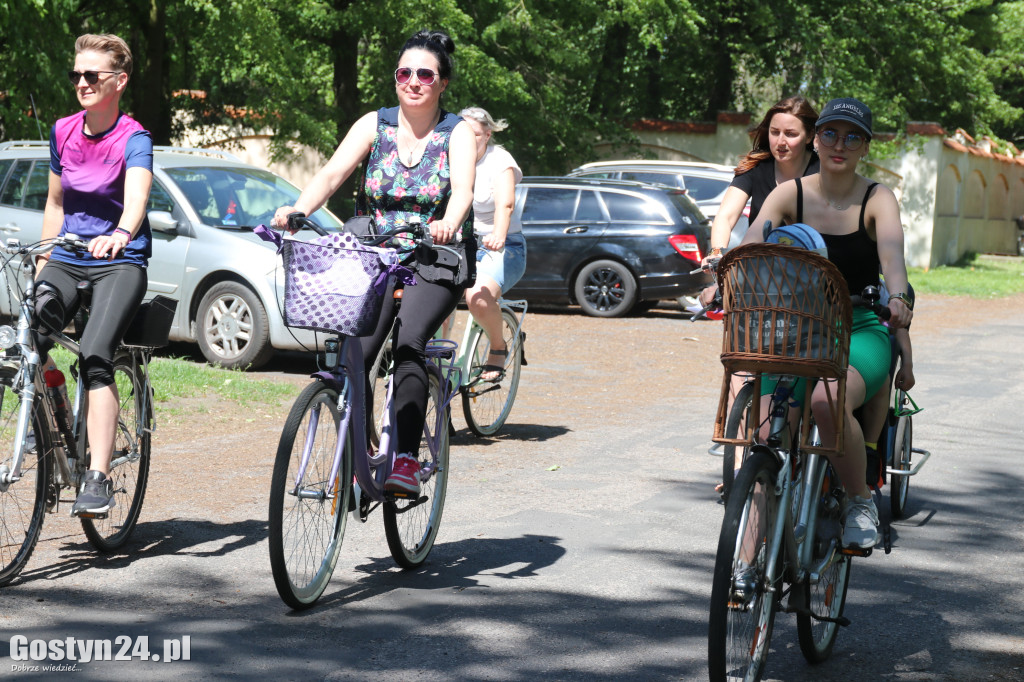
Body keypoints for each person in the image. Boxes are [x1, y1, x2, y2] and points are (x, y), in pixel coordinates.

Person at [272, 29, 476, 496]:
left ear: (442, 82)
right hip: (377, 253)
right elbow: (331, 173)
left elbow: (462, 189)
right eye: (405, 73)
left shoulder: (456, 132)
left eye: (426, 74)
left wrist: (448, 220)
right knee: (354, 355)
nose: (414, 81)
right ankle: (358, 448)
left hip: (434, 255)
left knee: (409, 344)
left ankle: (404, 458)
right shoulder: (375, 125)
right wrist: (298, 210)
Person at [704, 97, 914, 549]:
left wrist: (897, 297)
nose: (840, 144)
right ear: (818, 139)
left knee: (827, 399)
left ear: (864, 146)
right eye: (831, 133)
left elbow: (893, 261)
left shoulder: (877, 198)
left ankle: (859, 500)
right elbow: (753, 242)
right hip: (801, 327)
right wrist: (726, 278)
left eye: (852, 136)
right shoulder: (790, 193)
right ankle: (746, 569)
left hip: (861, 327)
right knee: (765, 432)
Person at [38, 34, 153, 515]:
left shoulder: (134, 137)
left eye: (92, 75)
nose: (82, 83)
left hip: (119, 263)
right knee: (30, 335)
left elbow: (138, 197)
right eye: (76, 75)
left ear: (119, 81)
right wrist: (43, 261)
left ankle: (97, 476)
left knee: (94, 354)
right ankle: (52, 417)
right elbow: (55, 203)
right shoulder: (63, 130)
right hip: (67, 255)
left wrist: (122, 233)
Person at [702, 96, 820, 268]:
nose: (780, 141)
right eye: (775, 132)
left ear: (809, 136)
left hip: (810, 273)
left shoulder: (822, 172)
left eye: (790, 134)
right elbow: (726, 216)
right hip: (759, 274)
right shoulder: (755, 168)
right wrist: (717, 252)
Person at [457, 106, 526, 381]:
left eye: (473, 134)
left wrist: (498, 234)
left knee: (477, 297)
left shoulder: (500, 161)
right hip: (459, 242)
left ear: (487, 135)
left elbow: (505, 205)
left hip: (501, 244)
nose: (466, 139)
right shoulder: (449, 157)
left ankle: (498, 346)